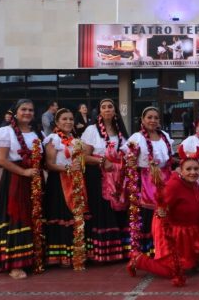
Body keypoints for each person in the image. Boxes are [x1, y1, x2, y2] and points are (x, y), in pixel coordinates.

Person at [128, 147, 199, 287]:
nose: (193, 172)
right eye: (189, 169)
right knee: (173, 271)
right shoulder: (174, 185)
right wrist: (162, 211)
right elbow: (161, 208)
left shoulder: (195, 184)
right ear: (181, 170)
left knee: (189, 266)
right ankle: (138, 260)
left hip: (190, 231)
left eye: (196, 169)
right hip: (172, 232)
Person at [0, 99, 44, 279]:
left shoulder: (36, 134)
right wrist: (24, 171)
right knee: (16, 218)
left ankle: (32, 259)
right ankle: (14, 264)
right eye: (24, 109)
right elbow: (1, 160)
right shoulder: (5, 132)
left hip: (33, 181)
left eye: (31, 110)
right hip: (15, 180)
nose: (27, 112)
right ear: (15, 112)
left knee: (32, 218)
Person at [80, 98, 130, 263]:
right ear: (99, 111)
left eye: (110, 107)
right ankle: (103, 252)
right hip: (99, 177)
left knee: (120, 212)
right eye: (104, 107)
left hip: (119, 179)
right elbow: (84, 156)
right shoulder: (91, 130)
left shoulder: (120, 131)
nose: (107, 109)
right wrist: (102, 161)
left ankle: (120, 251)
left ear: (115, 110)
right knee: (103, 212)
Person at [121, 107, 174, 255]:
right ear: (143, 120)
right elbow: (127, 157)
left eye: (156, 118)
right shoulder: (137, 137)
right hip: (145, 180)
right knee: (147, 215)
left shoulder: (164, 136)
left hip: (165, 179)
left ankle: (163, 247)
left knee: (165, 212)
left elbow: (170, 159)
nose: (153, 120)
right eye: (149, 117)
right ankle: (146, 251)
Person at [42, 108, 88, 268]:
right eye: (64, 119)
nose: (68, 122)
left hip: (76, 181)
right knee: (61, 215)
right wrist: (68, 169)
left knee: (75, 216)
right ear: (56, 122)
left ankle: (75, 252)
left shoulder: (75, 139)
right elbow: (49, 164)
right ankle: (60, 256)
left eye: (70, 119)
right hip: (59, 182)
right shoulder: (53, 139)